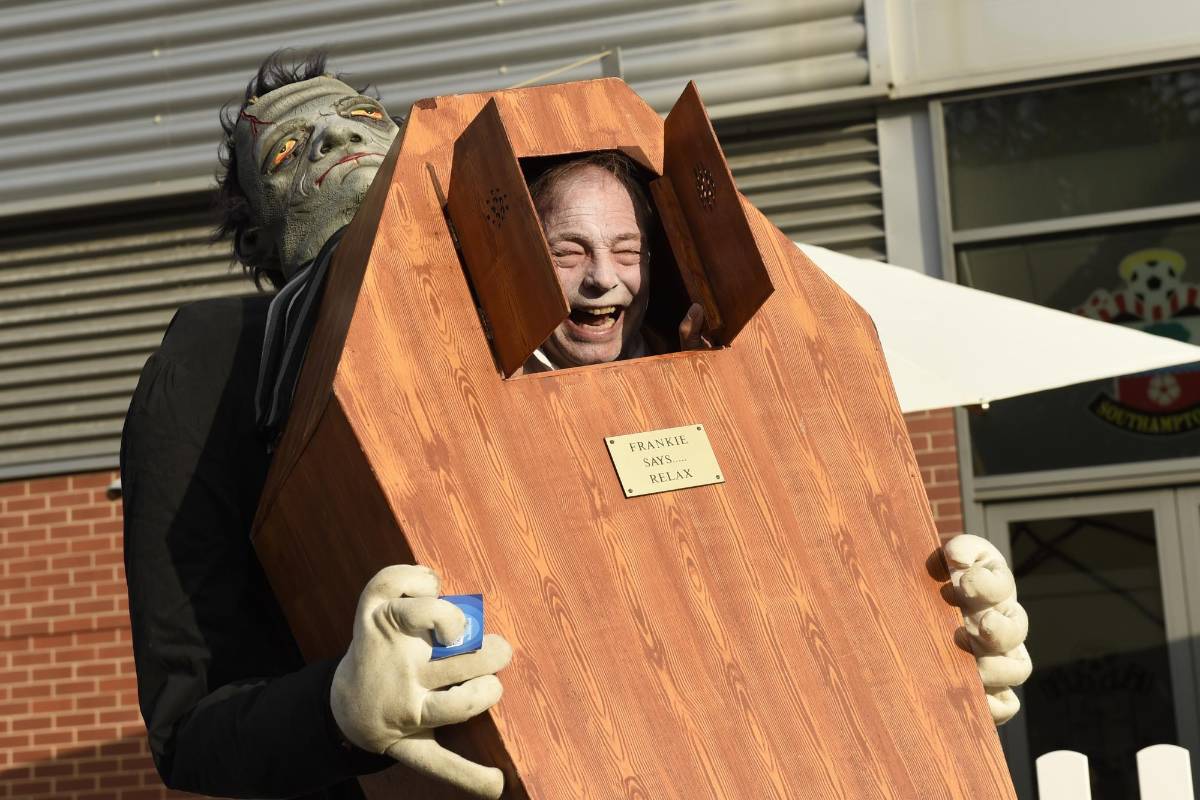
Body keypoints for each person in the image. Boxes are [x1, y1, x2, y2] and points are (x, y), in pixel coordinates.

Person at [122, 50, 1029, 800]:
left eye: (360, 117)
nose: (330, 141)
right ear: (255, 224)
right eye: (285, 152)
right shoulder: (219, 364)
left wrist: (918, 650)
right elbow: (188, 726)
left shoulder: (620, 342)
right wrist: (339, 708)